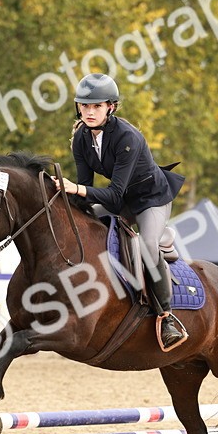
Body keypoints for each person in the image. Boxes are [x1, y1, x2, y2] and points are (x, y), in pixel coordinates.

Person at [52, 73, 188, 350]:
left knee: (148, 245)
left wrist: (73, 189)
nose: (89, 112)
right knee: (83, 221)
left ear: (110, 107)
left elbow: (106, 192)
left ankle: (166, 316)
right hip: (121, 202)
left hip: (151, 200)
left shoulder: (128, 137)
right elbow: (87, 189)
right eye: (85, 106)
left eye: (97, 106)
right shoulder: (81, 138)